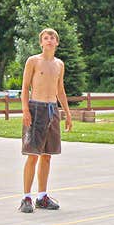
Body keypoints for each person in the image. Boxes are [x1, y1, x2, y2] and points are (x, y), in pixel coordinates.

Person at [19, 28, 73, 213]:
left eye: (52, 38)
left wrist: (67, 112)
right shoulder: (33, 61)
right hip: (36, 108)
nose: (49, 40)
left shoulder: (59, 64)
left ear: (57, 43)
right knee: (33, 155)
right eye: (46, 38)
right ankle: (26, 197)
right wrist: (26, 109)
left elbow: (60, 89)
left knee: (47, 155)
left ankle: (42, 196)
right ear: (41, 42)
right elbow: (25, 87)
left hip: (52, 109)